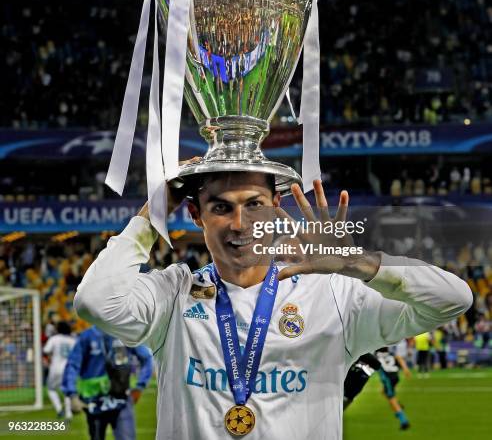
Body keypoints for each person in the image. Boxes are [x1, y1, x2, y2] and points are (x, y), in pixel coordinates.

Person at [74, 172, 472, 439]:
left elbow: (454, 298)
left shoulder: (332, 293)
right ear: (195, 214)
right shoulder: (175, 292)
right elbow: (94, 302)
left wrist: (357, 264)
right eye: (221, 207)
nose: (239, 223)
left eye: (254, 205)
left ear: (276, 207)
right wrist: (152, 214)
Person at [61, 325, 153, 440]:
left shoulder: (124, 333)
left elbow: (146, 358)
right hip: (94, 402)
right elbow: (73, 365)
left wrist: (140, 386)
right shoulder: (87, 336)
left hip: (121, 399)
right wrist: (72, 394)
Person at [43, 321, 76, 419]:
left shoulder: (54, 339)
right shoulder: (72, 340)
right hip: (69, 368)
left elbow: (46, 351)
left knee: (51, 389)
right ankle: (69, 413)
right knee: (67, 391)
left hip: (56, 367)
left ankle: (59, 409)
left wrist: (48, 360)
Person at [375, 346, 411, 430]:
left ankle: (404, 421)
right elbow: (399, 358)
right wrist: (405, 369)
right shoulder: (390, 353)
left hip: (388, 379)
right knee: (383, 392)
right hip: (395, 376)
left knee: (391, 399)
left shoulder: (376, 355)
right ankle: (397, 405)